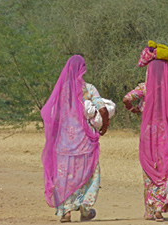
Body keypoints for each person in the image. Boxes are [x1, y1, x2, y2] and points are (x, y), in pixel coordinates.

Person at [123, 41, 168, 222]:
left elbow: (126, 98)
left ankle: (153, 210)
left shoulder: (144, 88)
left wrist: (133, 109)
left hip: (148, 136)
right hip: (166, 134)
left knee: (151, 171)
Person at [41, 55, 109, 223]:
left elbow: (52, 114)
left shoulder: (61, 90)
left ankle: (65, 211)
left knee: (64, 175)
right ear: (82, 69)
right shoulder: (89, 89)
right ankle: (85, 209)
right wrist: (105, 125)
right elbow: (103, 109)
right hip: (85, 141)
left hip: (64, 142)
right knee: (90, 173)